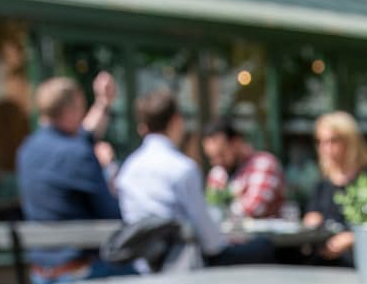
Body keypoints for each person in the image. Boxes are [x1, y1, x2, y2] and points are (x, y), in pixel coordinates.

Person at [117, 89, 274, 268]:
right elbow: (211, 243)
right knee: (264, 248)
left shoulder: (127, 170)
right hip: (184, 266)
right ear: (176, 121)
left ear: (143, 127)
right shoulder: (183, 169)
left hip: (142, 266)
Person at [14, 73, 136, 284]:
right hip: (79, 273)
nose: (82, 115)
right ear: (70, 111)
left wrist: (103, 103)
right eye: (80, 108)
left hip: (40, 272)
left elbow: (85, 134)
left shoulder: (27, 149)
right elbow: (111, 215)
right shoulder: (77, 153)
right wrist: (108, 170)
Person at [302, 111, 367, 264]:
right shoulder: (322, 184)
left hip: (355, 260)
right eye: (321, 142)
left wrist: (351, 238)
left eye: (333, 141)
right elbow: (312, 217)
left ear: (351, 142)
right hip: (321, 259)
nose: (326, 149)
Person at [202, 119, 285, 219]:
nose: (216, 162)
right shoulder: (218, 173)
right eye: (212, 157)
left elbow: (254, 208)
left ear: (236, 142)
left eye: (221, 155)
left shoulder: (263, 164)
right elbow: (211, 206)